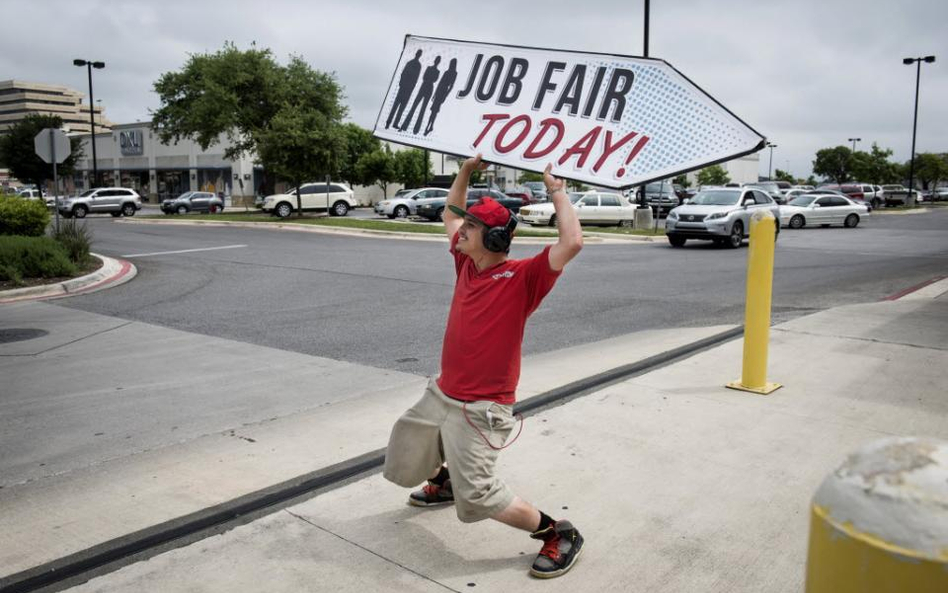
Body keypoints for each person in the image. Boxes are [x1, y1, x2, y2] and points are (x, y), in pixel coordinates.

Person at [383, 154, 585, 579]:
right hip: (442, 393)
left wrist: (558, 191)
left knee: (479, 498)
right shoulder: (466, 264)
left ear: (494, 240)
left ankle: (557, 532)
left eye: (471, 228)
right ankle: (446, 479)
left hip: (482, 408)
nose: (459, 232)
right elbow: (449, 214)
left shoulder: (524, 277)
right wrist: (465, 172)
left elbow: (572, 244)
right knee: (405, 448)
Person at [386, 49, 423, 130]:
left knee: (402, 108)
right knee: (395, 105)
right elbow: (403, 73)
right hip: (403, 87)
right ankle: (388, 122)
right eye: (418, 53)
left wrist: (411, 88)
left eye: (419, 54)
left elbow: (416, 78)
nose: (418, 55)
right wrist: (401, 83)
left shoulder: (419, 65)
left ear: (420, 55)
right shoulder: (410, 63)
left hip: (409, 89)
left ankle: (395, 123)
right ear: (416, 54)